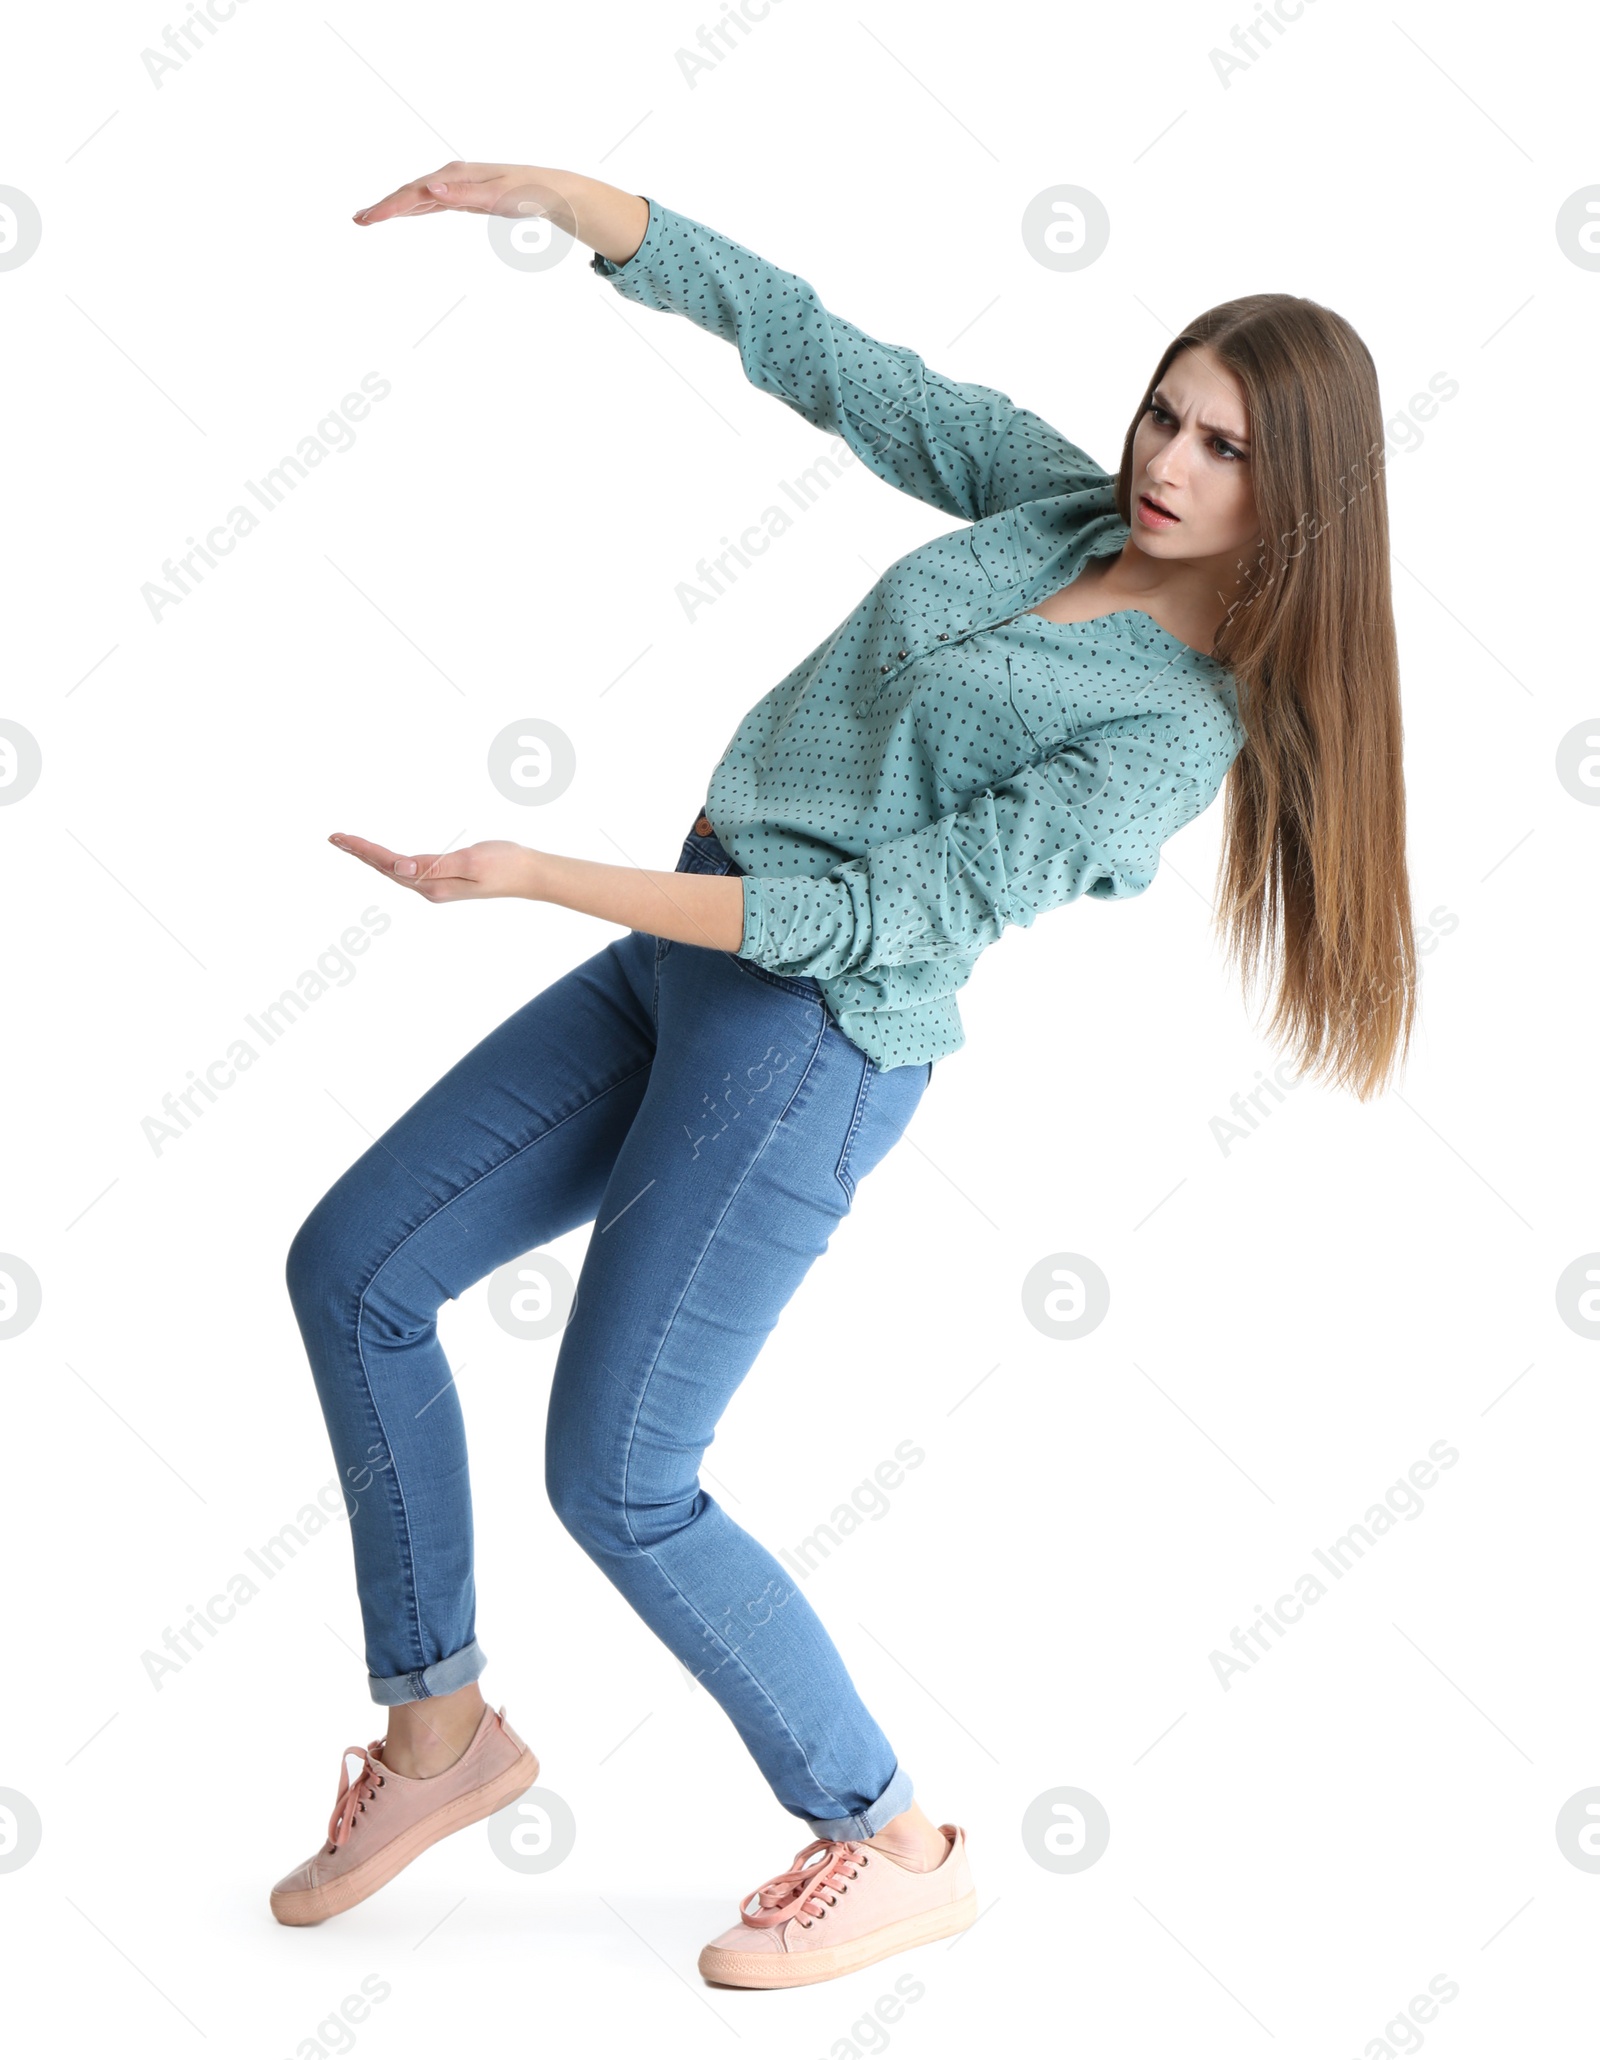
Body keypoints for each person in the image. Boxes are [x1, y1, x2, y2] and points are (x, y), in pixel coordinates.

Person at [268, 162, 1416, 1988]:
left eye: (1229, 451)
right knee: (354, 1271)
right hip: (681, 959)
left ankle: (890, 1836)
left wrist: (542, 875)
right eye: (1168, 412)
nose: (1170, 463)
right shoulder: (1051, 505)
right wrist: (591, 205)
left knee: (622, 1478)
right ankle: (440, 1738)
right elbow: (831, 357)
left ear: (1303, 507)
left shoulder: (1169, 734)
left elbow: (869, 917)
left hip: (806, 1041)